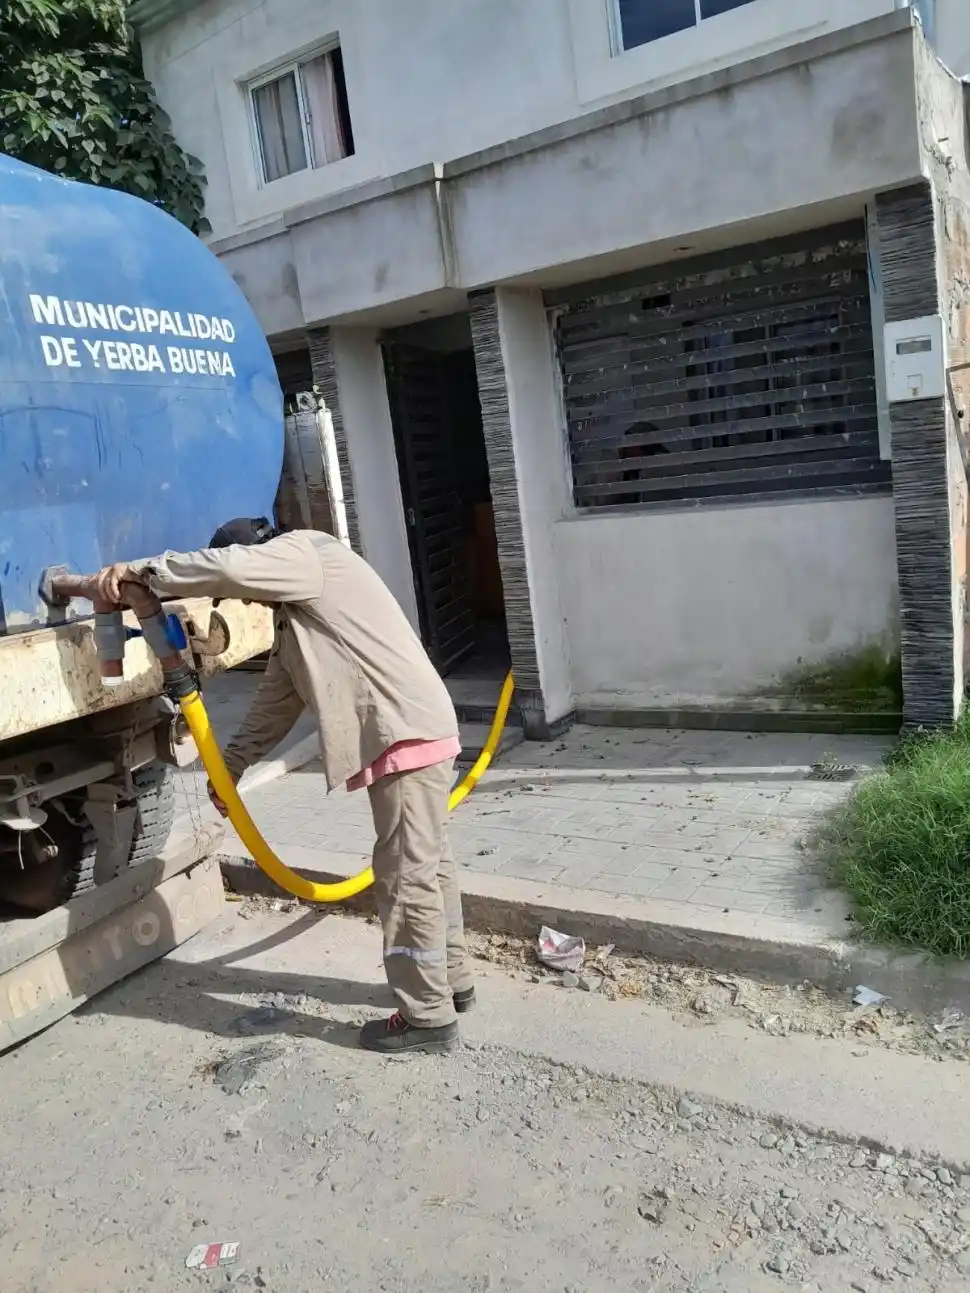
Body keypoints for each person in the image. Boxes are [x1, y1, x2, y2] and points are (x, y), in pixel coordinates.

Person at [94, 518, 475, 1055]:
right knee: (430, 865)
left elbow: (230, 568)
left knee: (405, 877)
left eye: (244, 592)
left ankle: (428, 1016)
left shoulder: (307, 552)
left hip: (405, 736)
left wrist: (140, 573)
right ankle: (453, 983)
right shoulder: (299, 618)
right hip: (413, 733)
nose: (246, 601)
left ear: (259, 556)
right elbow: (275, 704)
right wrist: (230, 768)